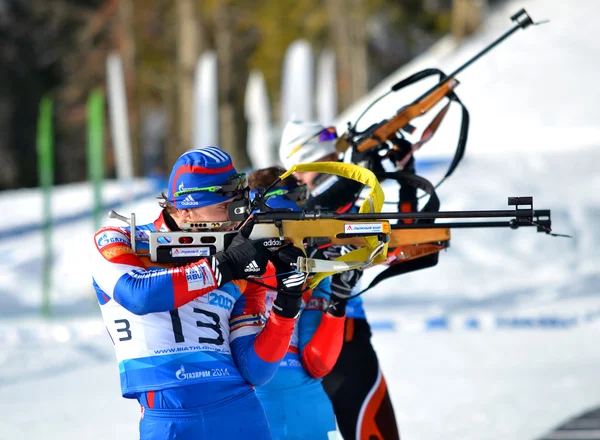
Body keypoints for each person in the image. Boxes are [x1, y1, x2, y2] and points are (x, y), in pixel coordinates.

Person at [91, 146, 307, 440]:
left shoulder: (241, 256)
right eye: (225, 208)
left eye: (240, 205)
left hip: (240, 412)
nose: (236, 218)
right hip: (169, 420)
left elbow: (255, 369)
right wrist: (224, 266)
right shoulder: (121, 239)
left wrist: (287, 305)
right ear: (185, 208)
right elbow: (140, 295)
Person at [280, 121, 401, 440]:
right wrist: (364, 166)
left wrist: (399, 166)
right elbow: (320, 206)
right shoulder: (298, 205)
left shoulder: (346, 198)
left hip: (335, 336)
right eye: (330, 159)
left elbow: (418, 239)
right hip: (327, 342)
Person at [248, 166, 347, 439]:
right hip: (249, 408)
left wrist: (338, 302)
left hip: (306, 411)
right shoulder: (236, 266)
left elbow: (317, 364)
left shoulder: (312, 272)